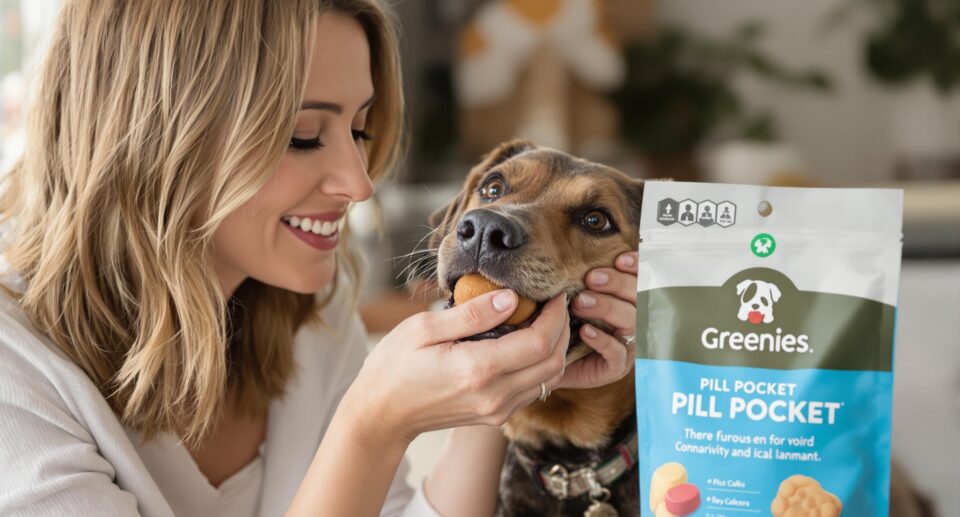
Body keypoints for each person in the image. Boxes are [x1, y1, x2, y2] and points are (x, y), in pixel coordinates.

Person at [0, 1, 638, 516]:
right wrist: (371, 425)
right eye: (303, 136)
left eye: (359, 130)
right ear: (154, 136)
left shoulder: (314, 314)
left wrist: (494, 382)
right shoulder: (15, 368)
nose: (359, 182)